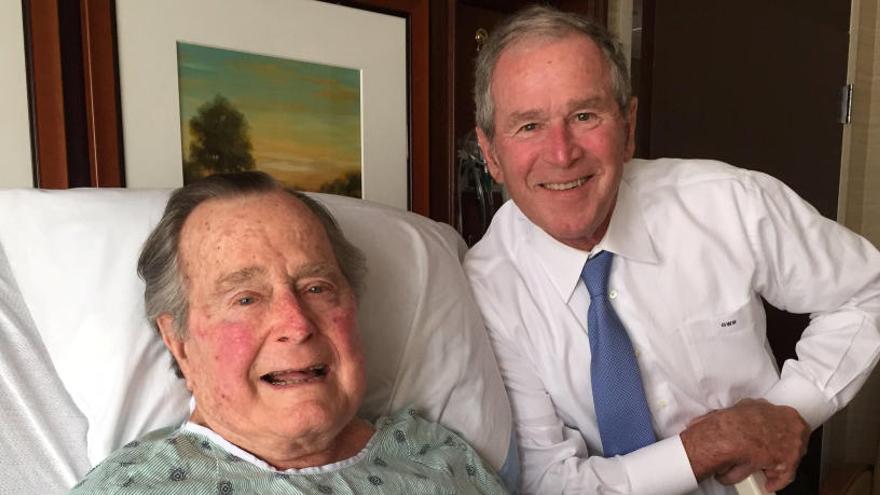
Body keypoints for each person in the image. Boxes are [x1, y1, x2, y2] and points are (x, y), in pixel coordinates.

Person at [464, 5, 880, 495]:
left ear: (628, 126)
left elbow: (866, 291)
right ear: (490, 153)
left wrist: (793, 409)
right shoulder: (486, 285)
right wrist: (706, 445)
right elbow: (548, 479)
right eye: (529, 126)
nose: (562, 153)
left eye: (584, 115)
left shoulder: (727, 202)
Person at [69, 172, 508, 494]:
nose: (297, 324)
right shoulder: (132, 489)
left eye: (316, 288)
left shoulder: (439, 460)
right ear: (178, 341)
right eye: (246, 298)